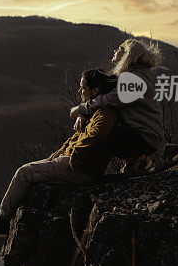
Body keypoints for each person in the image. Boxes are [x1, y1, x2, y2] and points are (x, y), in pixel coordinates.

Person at [0, 69, 118, 238]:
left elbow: (97, 136)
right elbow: (80, 136)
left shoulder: (105, 114)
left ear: (95, 91)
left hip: (81, 169)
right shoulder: (95, 112)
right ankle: (4, 220)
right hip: (77, 163)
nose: (79, 91)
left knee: (24, 173)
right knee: (28, 171)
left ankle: (3, 221)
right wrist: (62, 150)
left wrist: (74, 154)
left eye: (82, 87)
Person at [70, 38, 163, 171]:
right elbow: (102, 99)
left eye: (120, 49)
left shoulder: (134, 81)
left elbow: (107, 100)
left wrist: (80, 109)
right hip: (139, 133)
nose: (115, 50)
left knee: (101, 132)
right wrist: (83, 114)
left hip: (145, 137)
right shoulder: (129, 76)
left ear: (128, 55)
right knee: (98, 126)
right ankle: (135, 160)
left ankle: (139, 159)